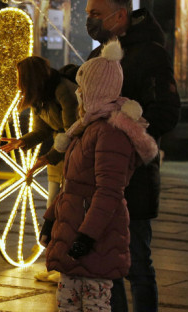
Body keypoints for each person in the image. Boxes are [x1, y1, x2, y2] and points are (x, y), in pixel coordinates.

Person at [40, 39, 159, 312]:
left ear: (95, 90)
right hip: (72, 229)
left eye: (83, 87)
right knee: (69, 304)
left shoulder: (110, 132)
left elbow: (109, 191)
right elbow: (72, 186)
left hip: (94, 238)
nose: (79, 93)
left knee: (94, 305)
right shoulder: (86, 128)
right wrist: (51, 220)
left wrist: (87, 236)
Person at [84, 0, 181, 312]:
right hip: (99, 175)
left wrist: (128, 136)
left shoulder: (150, 53)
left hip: (134, 176)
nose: (91, 21)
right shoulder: (98, 55)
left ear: (120, 14)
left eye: (96, 14)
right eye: (88, 15)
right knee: (107, 263)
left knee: (137, 263)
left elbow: (166, 111)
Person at [0, 55, 78, 283]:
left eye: (20, 78)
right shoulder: (39, 96)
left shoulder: (62, 90)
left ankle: (66, 267)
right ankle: (56, 265)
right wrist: (22, 142)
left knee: (66, 214)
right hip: (58, 157)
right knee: (53, 211)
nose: (17, 83)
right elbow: (43, 129)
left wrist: (48, 157)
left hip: (74, 157)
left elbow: (72, 131)